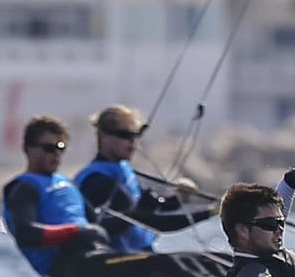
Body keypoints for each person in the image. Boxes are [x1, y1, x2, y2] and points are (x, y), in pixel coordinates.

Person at [2, 115, 229, 277]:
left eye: (60, 148)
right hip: (76, 269)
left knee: (201, 259)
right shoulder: (24, 187)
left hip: (99, 257)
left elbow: (103, 228)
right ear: (27, 148)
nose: (56, 154)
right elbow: (26, 233)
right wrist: (75, 231)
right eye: (48, 148)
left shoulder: (65, 183)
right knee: (166, 264)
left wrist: (152, 206)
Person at [74, 105, 217, 252]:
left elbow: (152, 207)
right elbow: (153, 221)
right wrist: (211, 212)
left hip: (140, 254)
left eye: (136, 135)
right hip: (117, 261)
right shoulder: (99, 180)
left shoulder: (122, 169)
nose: (132, 141)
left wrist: (180, 197)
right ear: (102, 136)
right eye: (124, 135)